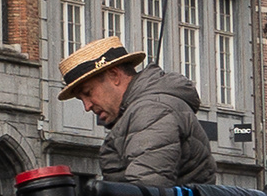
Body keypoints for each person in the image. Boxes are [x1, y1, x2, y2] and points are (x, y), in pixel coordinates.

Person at [53, 36, 213, 186]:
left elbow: (145, 190)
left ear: (114, 75)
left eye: (88, 93)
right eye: (80, 99)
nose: (87, 106)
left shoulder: (151, 111)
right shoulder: (144, 110)